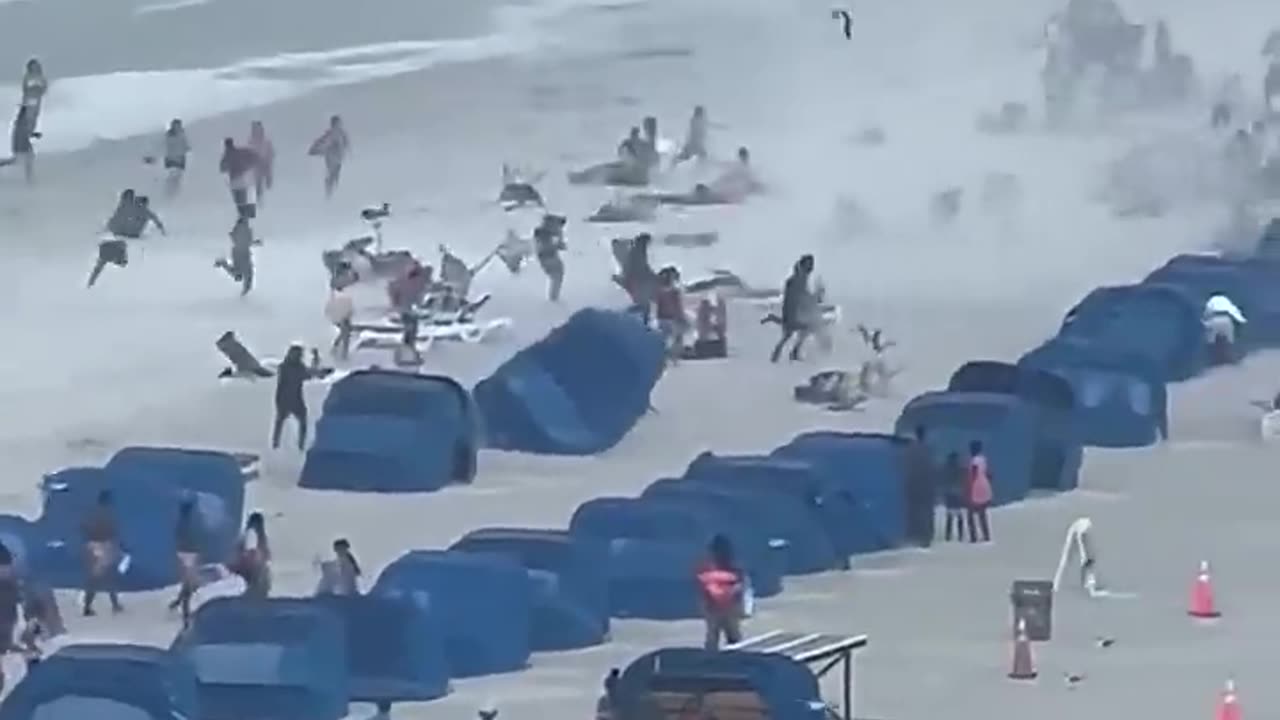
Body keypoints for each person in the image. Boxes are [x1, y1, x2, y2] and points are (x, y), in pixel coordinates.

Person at [696, 535, 743, 651]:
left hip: (719, 605)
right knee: (725, 635)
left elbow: (701, 583)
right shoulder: (730, 567)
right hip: (720, 605)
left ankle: (716, 657)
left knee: (719, 635)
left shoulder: (731, 567)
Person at [81, 490, 123, 616]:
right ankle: (115, 605)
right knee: (110, 577)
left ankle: (87, 606)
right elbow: (112, 532)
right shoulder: (108, 515)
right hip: (105, 546)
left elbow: (83, 527)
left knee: (93, 580)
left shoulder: (91, 514)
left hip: (91, 546)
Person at [770, 255, 816, 363]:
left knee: (793, 333)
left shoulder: (801, 277)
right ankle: (783, 354)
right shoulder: (797, 279)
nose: (811, 267)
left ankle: (784, 354)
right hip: (792, 312)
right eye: (809, 264)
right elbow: (797, 295)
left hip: (795, 312)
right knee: (791, 334)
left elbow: (802, 294)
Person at [168, 498, 202, 625]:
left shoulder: (180, 524)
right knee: (190, 584)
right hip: (189, 554)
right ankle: (185, 615)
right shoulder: (191, 524)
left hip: (183, 554)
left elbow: (178, 539)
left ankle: (178, 602)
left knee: (189, 583)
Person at [272, 345, 311, 450]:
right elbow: (307, 375)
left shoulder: (288, 367)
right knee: (282, 422)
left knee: (283, 422)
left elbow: (307, 375)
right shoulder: (288, 367)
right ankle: (277, 444)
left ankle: (278, 444)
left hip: (292, 398)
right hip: (288, 399)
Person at [903, 426, 936, 548]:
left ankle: (916, 535)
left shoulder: (910, 449)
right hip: (927, 484)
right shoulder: (929, 449)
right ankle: (927, 536)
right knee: (927, 512)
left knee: (915, 511)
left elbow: (908, 468)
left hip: (914, 484)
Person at [310, 114, 351, 198]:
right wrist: (316, 150)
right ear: (335, 124)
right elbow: (323, 144)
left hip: (337, 158)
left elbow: (346, 144)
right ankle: (330, 194)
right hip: (332, 159)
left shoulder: (342, 133)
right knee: (332, 176)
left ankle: (332, 194)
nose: (340, 125)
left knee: (334, 176)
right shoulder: (332, 134)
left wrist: (349, 153)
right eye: (338, 123)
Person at [215, 216, 258, 296]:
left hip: (239, 252)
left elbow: (241, 240)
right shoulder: (246, 230)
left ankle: (245, 291)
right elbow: (246, 241)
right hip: (241, 252)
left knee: (243, 273)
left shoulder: (239, 230)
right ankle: (245, 292)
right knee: (247, 274)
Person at [231, 512, 271, 599]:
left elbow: (249, 552)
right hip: (256, 572)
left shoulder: (249, 534)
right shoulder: (258, 536)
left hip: (251, 572)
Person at [654, 266, 688, 362]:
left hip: (662, 318)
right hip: (672, 318)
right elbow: (677, 306)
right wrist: (682, 317)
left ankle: (665, 356)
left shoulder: (659, 291)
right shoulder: (674, 291)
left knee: (664, 339)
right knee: (677, 338)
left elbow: (658, 306)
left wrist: (657, 318)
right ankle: (673, 356)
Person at [621, 233, 657, 322]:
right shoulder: (636, 256)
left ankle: (643, 320)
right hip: (637, 279)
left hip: (637, 279)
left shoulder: (635, 255)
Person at [533, 213, 567, 301]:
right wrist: (559, 244)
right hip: (548, 256)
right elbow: (549, 246)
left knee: (557, 274)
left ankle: (553, 297)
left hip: (546, 256)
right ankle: (553, 298)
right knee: (557, 274)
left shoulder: (544, 231)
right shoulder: (548, 232)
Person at [219, 138, 256, 216]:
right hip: (242, 180)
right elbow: (252, 156)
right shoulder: (240, 152)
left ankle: (242, 215)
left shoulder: (226, 155)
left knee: (238, 201)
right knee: (243, 199)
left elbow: (222, 169)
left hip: (234, 181)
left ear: (226, 145)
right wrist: (247, 167)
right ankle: (245, 216)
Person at [966, 440, 993, 543]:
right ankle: (986, 535)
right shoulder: (983, 459)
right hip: (985, 486)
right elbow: (988, 473)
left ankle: (973, 537)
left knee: (970, 514)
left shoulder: (974, 461)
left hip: (976, 487)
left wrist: (968, 488)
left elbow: (973, 475)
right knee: (982, 514)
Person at [155, 119, 190, 197]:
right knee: (172, 176)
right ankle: (169, 193)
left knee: (177, 177)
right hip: (171, 160)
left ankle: (174, 193)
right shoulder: (168, 135)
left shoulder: (182, 134)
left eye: (178, 125)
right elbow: (163, 146)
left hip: (180, 160)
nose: (177, 127)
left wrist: (187, 149)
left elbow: (186, 145)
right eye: (176, 125)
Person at [940, 451, 967, 541]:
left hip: (949, 494)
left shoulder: (946, 468)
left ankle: (948, 535)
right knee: (959, 516)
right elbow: (963, 478)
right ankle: (960, 535)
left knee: (949, 516)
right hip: (958, 494)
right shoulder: (960, 468)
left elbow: (943, 481)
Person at [246, 120, 275, 205]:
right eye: (255, 129)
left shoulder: (266, 141)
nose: (257, 131)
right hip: (257, 166)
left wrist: (269, 159)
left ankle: (268, 197)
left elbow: (271, 153)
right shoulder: (250, 141)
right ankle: (259, 201)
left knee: (268, 182)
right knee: (258, 183)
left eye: (258, 129)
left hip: (266, 164)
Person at [325, 281, 355, 360]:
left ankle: (336, 349)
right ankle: (343, 354)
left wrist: (333, 317)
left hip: (338, 319)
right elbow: (350, 309)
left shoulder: (333, 298)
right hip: (345, 319)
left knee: (344, 333)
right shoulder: (346, 297)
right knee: (346, 335)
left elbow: (327, 309)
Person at [9, 105, 37, 184]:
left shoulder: (19, 122)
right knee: (26, 161)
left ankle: (30, 179)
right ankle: (30, 180)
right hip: (22, 146)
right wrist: (34, 135)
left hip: (21, 146)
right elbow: (24, 133)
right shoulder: (22, 122)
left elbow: (24, 133)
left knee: (25, 161)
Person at [20, 59, 47, 130]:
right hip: (29, 97)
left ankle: (31, 130)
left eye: (36, 66)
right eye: (33, 66)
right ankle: (27, 131)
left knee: (35, 115)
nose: (34, 67)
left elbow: (44, 87)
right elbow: (24, 88)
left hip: (37, 98)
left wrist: (40, 91)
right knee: (29, 116)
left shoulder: (41, 76)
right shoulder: (27, 76)